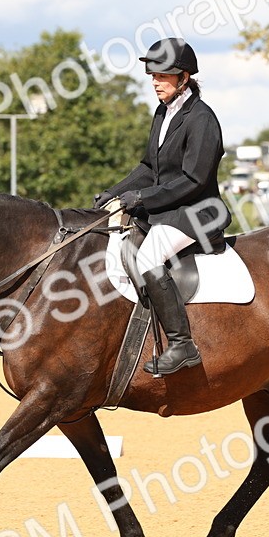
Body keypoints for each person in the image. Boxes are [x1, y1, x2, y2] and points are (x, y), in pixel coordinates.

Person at [94, 38, 230, 376]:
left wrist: (141, 199)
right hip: (168, 209)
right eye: (152, 76)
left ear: (184, 77)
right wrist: (115, 191)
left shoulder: (202, 119)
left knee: (148, 257)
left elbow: (194, 180)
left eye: (162, 76)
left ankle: (182, 344)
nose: (155, 82)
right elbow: (148, 168)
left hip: (199, 211)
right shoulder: (163, 112)